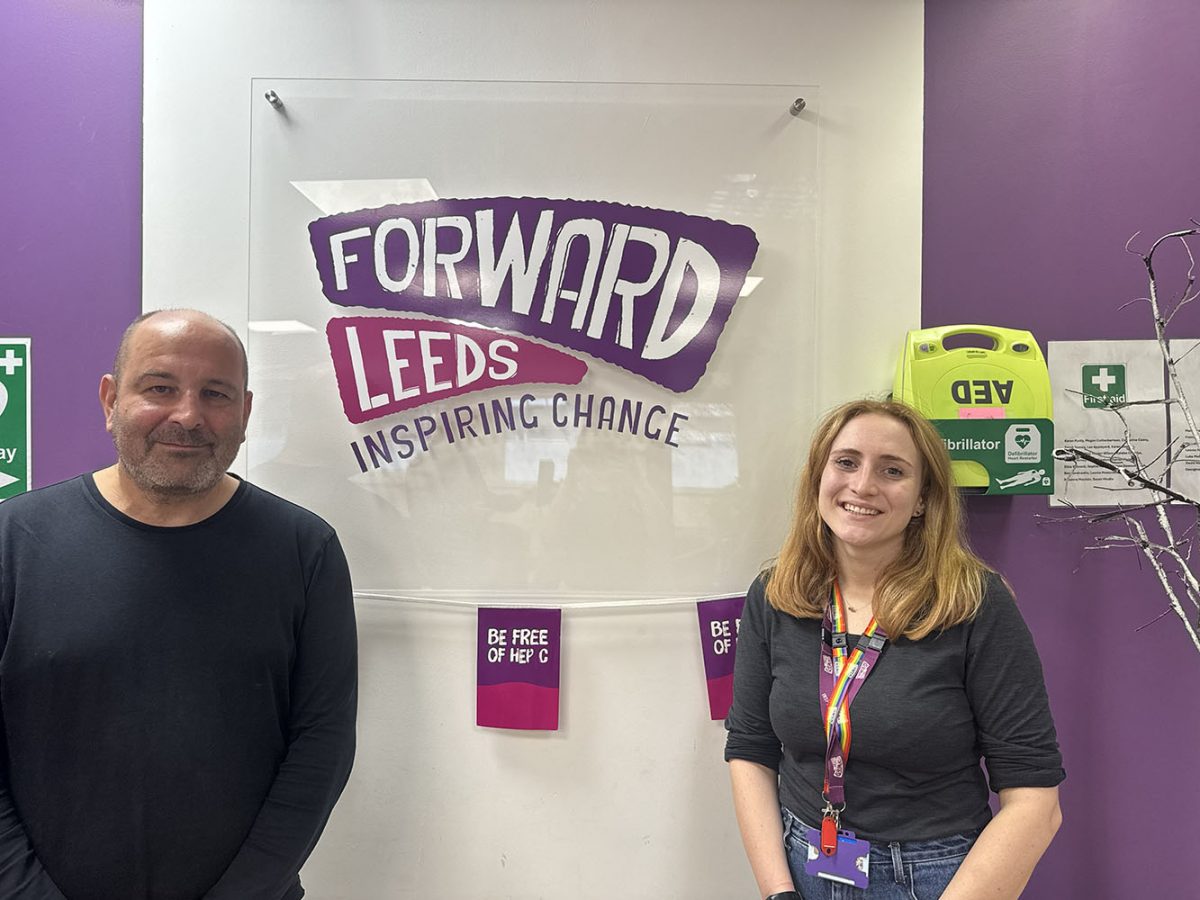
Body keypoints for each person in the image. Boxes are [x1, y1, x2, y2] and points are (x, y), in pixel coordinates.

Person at [0, 309, 358, 899]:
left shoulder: (305, 550)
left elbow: (321, 749)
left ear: (244, 414)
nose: (187, 416)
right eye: (159, 388)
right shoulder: (14, 541)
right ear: (111, 399)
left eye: (214, 394)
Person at [725, 399, 1063, 900]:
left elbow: (1036, 800)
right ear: (818, 477)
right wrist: (778, 892)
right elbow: (750, 749)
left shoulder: (972, 602)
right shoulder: (776, 594)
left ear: (923, 498)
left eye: (893, 470)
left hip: (936, 875)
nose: (863, 485)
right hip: (805, 863)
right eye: (846, 462)